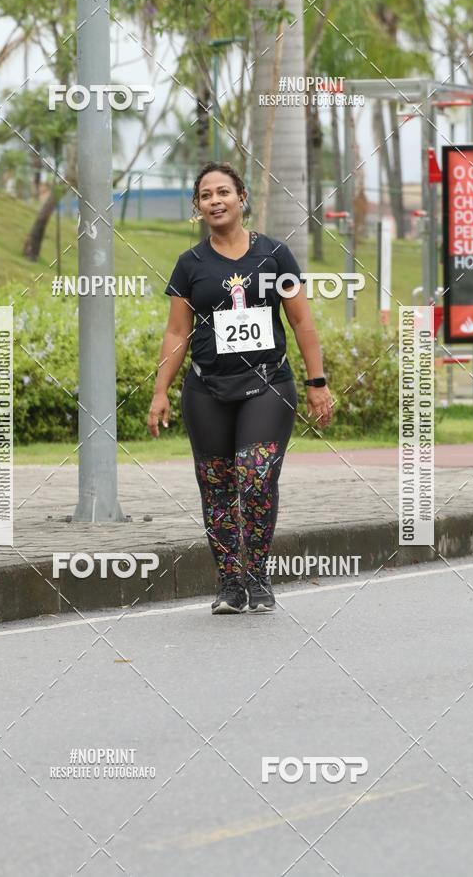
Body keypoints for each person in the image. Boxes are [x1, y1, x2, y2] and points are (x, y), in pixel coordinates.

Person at [147, 161, 333, 614]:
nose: (215, 201)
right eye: (206, 195)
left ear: (241, 198)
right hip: (206, 389)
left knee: (255, 476)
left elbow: (302, 321)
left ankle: (258, 576)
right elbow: (177, 333)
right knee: (216, 487)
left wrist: (317, 382)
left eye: (223, 192)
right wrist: (159, 391)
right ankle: (230, 583)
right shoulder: (190, 264)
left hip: (268, 385)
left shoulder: (274, 255)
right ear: (198, 207)